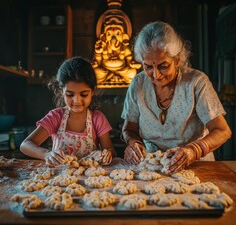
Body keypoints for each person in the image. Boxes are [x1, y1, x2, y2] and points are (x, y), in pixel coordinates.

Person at [121, 21, 232, 174]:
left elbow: (222, 130)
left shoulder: (196, 82)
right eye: (148, 66)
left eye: (163, 66)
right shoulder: (138, 83)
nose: (156, 75)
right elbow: (129, 129)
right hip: (152, 166)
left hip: (195, 165)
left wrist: (194, 150)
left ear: (177, 60)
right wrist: (132, 143)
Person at [20, 56, 117, 166]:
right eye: (70, 94)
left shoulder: (97, 118)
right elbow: (25, 145)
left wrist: (106, 155)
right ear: (62, 91)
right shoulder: (56, 117)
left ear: (93, 91)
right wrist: (46, 154)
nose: (77, 101)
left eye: (84, 94)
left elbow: (111, 152)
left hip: (89, 178)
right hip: (59, 178)